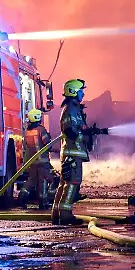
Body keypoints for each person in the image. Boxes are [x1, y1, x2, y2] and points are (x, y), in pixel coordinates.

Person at [52, 79, 91, 225]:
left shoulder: (72, 107)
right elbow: (70, 130)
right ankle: (66, 215)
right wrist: (84, 134)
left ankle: (57, 214)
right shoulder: (71, 108)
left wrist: (88, 131)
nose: (83, 93)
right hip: (72, 153)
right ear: (74, 91)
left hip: (70, 153)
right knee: (72, 183)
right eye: (81, 91)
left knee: (64, 184)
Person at [19, 108, 53, 210]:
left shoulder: (27, 131)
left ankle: (22, 198)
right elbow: (47, 144)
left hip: (32, 162)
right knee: (43, 181)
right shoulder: (41, 130)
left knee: (31, 181)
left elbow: (26, 146)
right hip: (43, 162)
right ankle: (43, 202)